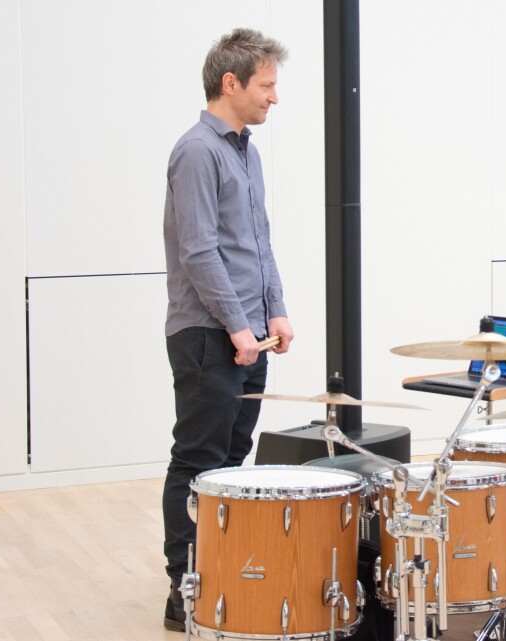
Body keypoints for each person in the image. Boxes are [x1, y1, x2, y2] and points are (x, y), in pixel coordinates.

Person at [160, 28, 294, 630]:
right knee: (199, 461)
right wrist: (238, 327)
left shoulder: (247, 151)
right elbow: (199, 250)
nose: (274, 97)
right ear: (230, 82)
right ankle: (183, 589)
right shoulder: (197, 151)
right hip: (208, 335)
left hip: (247, 333)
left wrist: (275, 311)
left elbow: (257, 242)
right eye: (265, 85)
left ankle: (221, 574)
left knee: (232, 459)